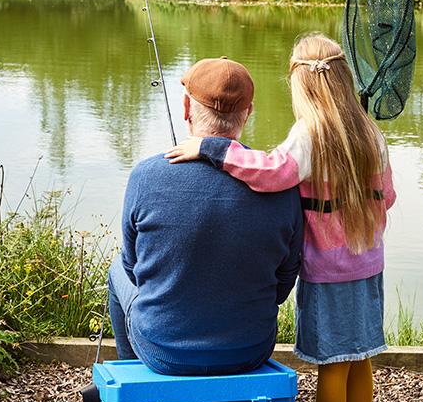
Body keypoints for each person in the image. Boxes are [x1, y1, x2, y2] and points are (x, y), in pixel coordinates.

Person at [166, 32, 396, 402]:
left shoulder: (310, 134)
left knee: (332, 366)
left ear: (301, 87)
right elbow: (389, 197)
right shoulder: (370, 133)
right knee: (360, 359)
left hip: (329, 271)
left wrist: (212, 149)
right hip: (368, 264)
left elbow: (272, 172)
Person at [107, 57, 303, 376]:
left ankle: (135, 380)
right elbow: (283, 286)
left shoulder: (145, 175)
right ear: (248, 113)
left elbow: (132, 268)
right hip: (250, 349)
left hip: (162, 351)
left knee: (116, 269)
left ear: (186, 109)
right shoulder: (281, 184)